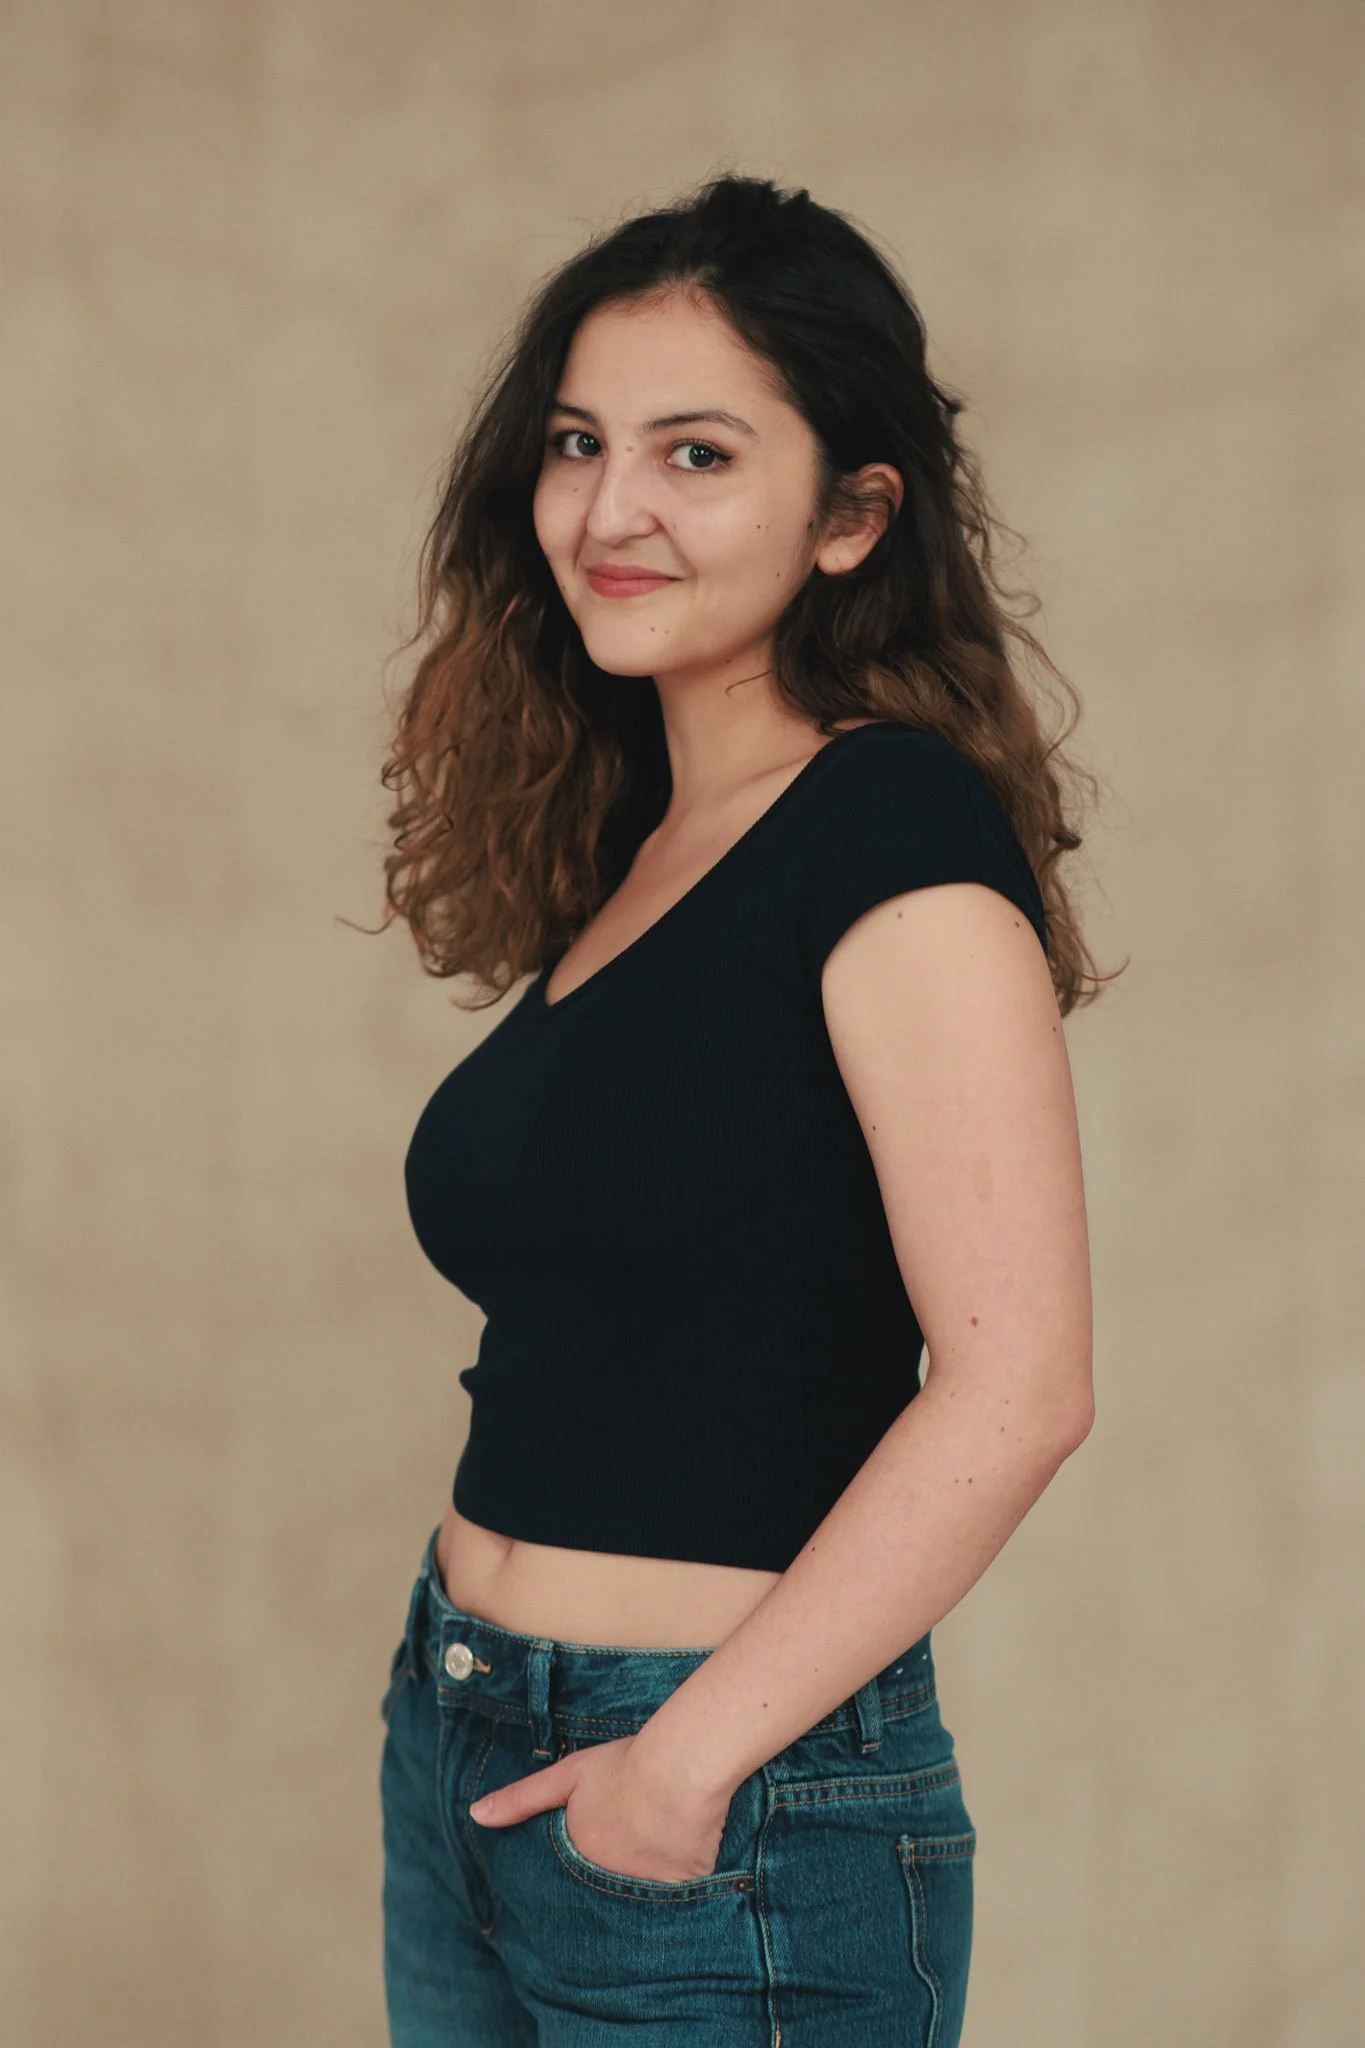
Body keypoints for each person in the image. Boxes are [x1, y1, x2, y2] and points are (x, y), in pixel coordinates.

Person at [371, 173, 1109, 2046]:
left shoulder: (892, 830)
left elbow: (1020, 1379)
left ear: (854, 516)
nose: (611, 511)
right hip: (464, 1742)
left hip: (725, 1805)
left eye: (697, 455)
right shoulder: (641, 854)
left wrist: (682, 1761)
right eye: (577, 445)